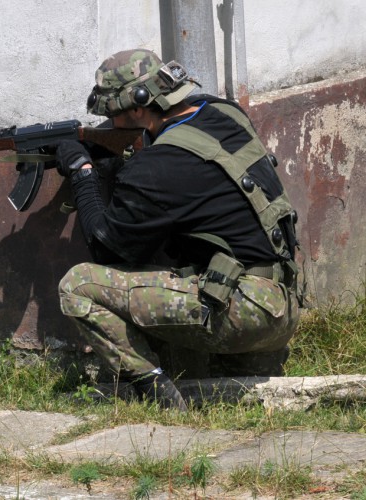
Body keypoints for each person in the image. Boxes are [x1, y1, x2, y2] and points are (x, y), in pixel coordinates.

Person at [54, 49, 300, 411]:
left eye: (112, 114)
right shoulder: (223, 111)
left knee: (77, 287)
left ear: (139, 109)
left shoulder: (158, 165)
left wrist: (82, 171)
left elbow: (105, 248)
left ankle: (153, 389)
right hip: (284, 304)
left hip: (246, 314)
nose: (110, 123)